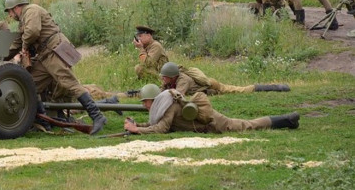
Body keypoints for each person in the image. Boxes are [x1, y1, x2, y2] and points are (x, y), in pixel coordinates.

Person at [4, 0, 106, 135]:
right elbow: (20, 39)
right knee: (29, 84)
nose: (10, 15)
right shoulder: (24, 19)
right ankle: (43, 122)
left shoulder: (31, 10)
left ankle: (97, 116)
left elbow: (32, 32)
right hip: (45, 56)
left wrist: (24, 47)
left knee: (69, 83)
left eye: (9, 11)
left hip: (53, 51)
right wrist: (2, 57)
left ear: (16, 7)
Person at [123, 84, 300, 134]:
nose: (144, 105)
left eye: (145, 102)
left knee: (248, 125)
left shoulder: (168, 107)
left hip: (214, 123)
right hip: (207, 122)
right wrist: (137, 124)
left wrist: (136, 129)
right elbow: (159, 123)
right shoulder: (164, 105)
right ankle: (287, 119)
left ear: (153, 100)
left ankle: (287, 120)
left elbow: (161, 128)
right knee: (247, 124)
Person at [159, 62, 290, 95]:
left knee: (239, 90)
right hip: (206, 89)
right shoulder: (170, 79)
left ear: (173, 76)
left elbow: (178, 95)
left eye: (165, 77)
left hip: (212, 85)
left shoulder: (183, 80)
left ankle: (272, 87)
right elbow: (162, 90)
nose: (163, 79)